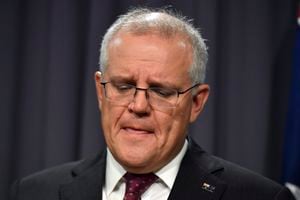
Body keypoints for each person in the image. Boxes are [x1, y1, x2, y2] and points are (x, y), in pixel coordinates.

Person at [11, 8, 295, 200]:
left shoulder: (260, 197)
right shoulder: (33, 192)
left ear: (196, 102)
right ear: (100, 92)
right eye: (123, 86)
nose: (138, 105)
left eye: (160, 91)